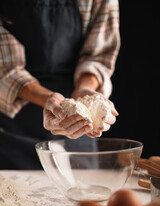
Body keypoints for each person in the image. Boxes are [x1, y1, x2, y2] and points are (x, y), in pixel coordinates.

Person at [0, 0, 120, 169]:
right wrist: (48, 99)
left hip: (79, 129)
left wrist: (85, 89)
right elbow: (4, 68)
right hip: (13, 128)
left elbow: (97, 56)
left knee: (81, 193)